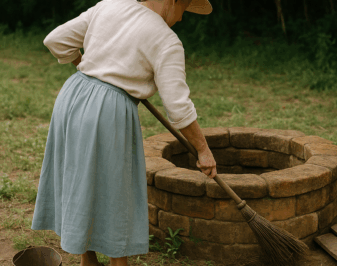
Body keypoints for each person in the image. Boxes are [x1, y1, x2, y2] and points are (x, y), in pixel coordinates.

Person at [30, 1, 216, 266]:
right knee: (116, 188)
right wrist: (203, 150)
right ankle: (119, 263)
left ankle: (88, 259)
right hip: (109, 111)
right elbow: (178, 106)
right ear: (173, 1)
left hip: (73, 97)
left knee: (82, 177)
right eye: (184, 8)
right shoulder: (166, 40)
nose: (182, 18)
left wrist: (83, 63)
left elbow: (56, 39)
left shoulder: (109, 6)